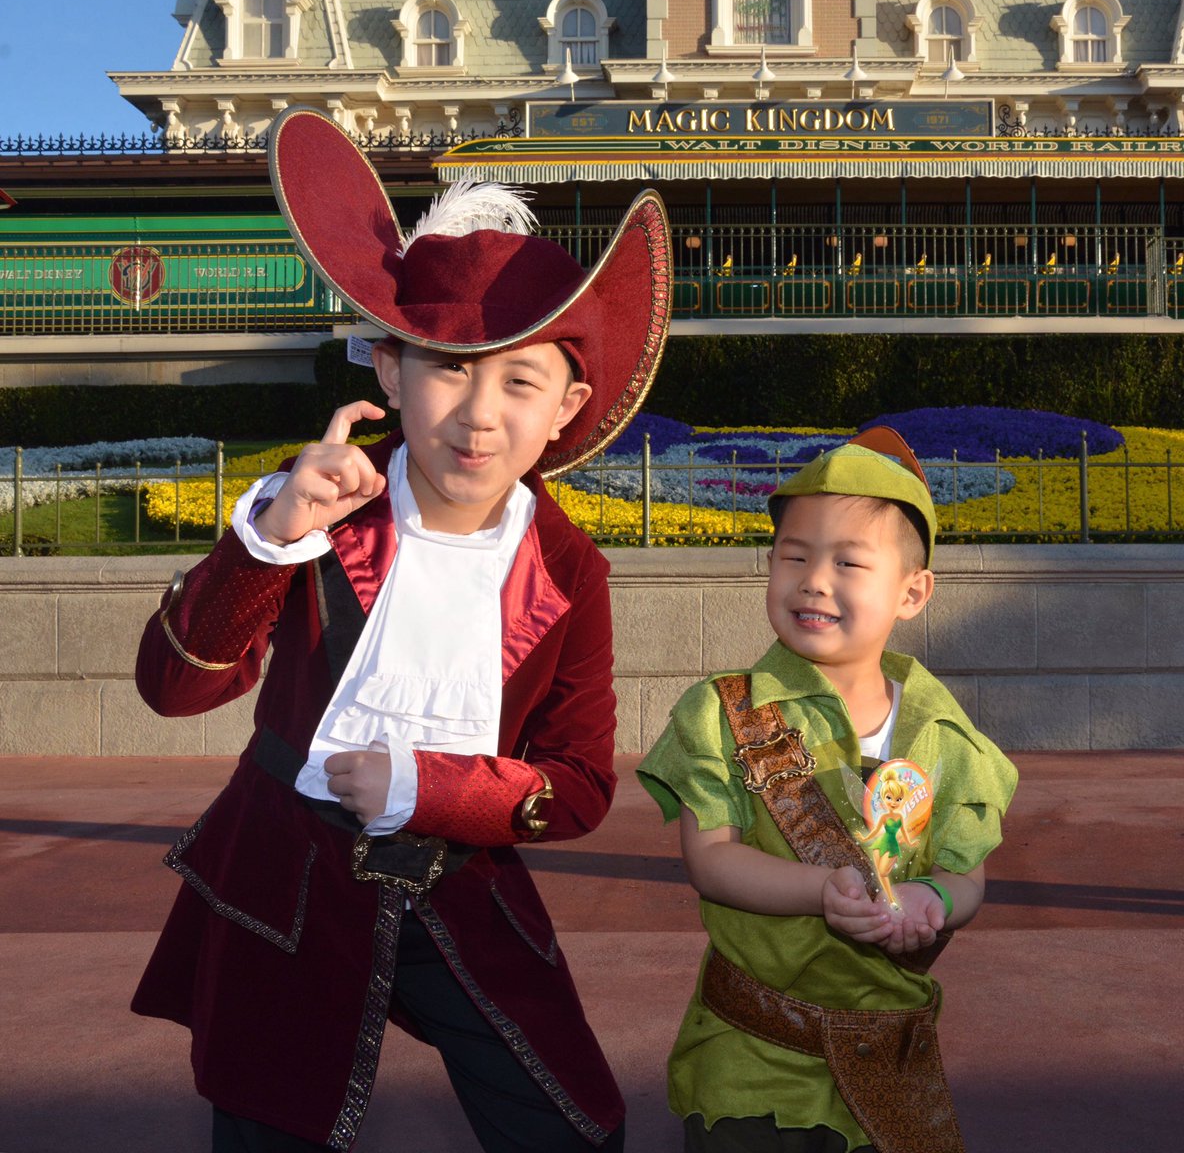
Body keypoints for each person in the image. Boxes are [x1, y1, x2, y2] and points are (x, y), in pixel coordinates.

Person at [131, 106, 672, 1153]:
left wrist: (434, 789)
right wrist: (272, 534)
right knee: (272, 1125)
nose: (478, 415)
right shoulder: (324, 513)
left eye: (520, 381)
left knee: (571, 1122)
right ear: (388, 373)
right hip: (283, 875)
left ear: (566, 408)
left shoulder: (570, 569)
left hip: (459, 877)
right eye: (448, 369)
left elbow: (582, 784)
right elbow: (175, 685)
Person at [637, 429, 1018, 1153]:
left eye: (849, 562)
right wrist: (820, 892)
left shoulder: (946, 735)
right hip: (749, 1055)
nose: (814, 580)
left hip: (890, 1065)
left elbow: (966, 874)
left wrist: (931, 903)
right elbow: (710, 859)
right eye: (794, 557)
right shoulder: (720, 712)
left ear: (913, 592)